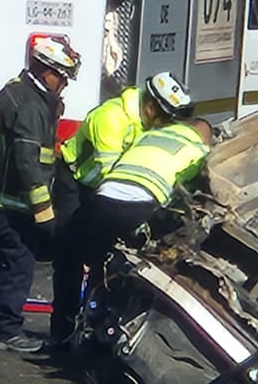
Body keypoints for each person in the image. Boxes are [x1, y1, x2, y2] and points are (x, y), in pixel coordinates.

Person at [0, 34, 82, 354]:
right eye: (62, 76)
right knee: (17, 264)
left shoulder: (27, 95)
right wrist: (44, 209)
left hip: (6, 197)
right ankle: (6, 331)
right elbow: (27, 163)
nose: (64, 84)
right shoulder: (28, 104)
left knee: (8, 262)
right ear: (46, 71)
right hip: (8, 199)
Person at [48, 72, 183, 348]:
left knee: (105, 260)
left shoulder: (146, 122)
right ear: (150, 106)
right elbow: (111, 177)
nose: (167, 124)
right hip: (77, 184)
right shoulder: (111, 118)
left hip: (103, 192)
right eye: (164, 116)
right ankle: (61, 333)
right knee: (69, 259)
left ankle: (94, 330)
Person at [87, 80, 213, 261]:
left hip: (101, 198)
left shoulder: (148, 135)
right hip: (137, 206)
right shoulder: (198, 151)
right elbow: (192, 186)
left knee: (94, 254)